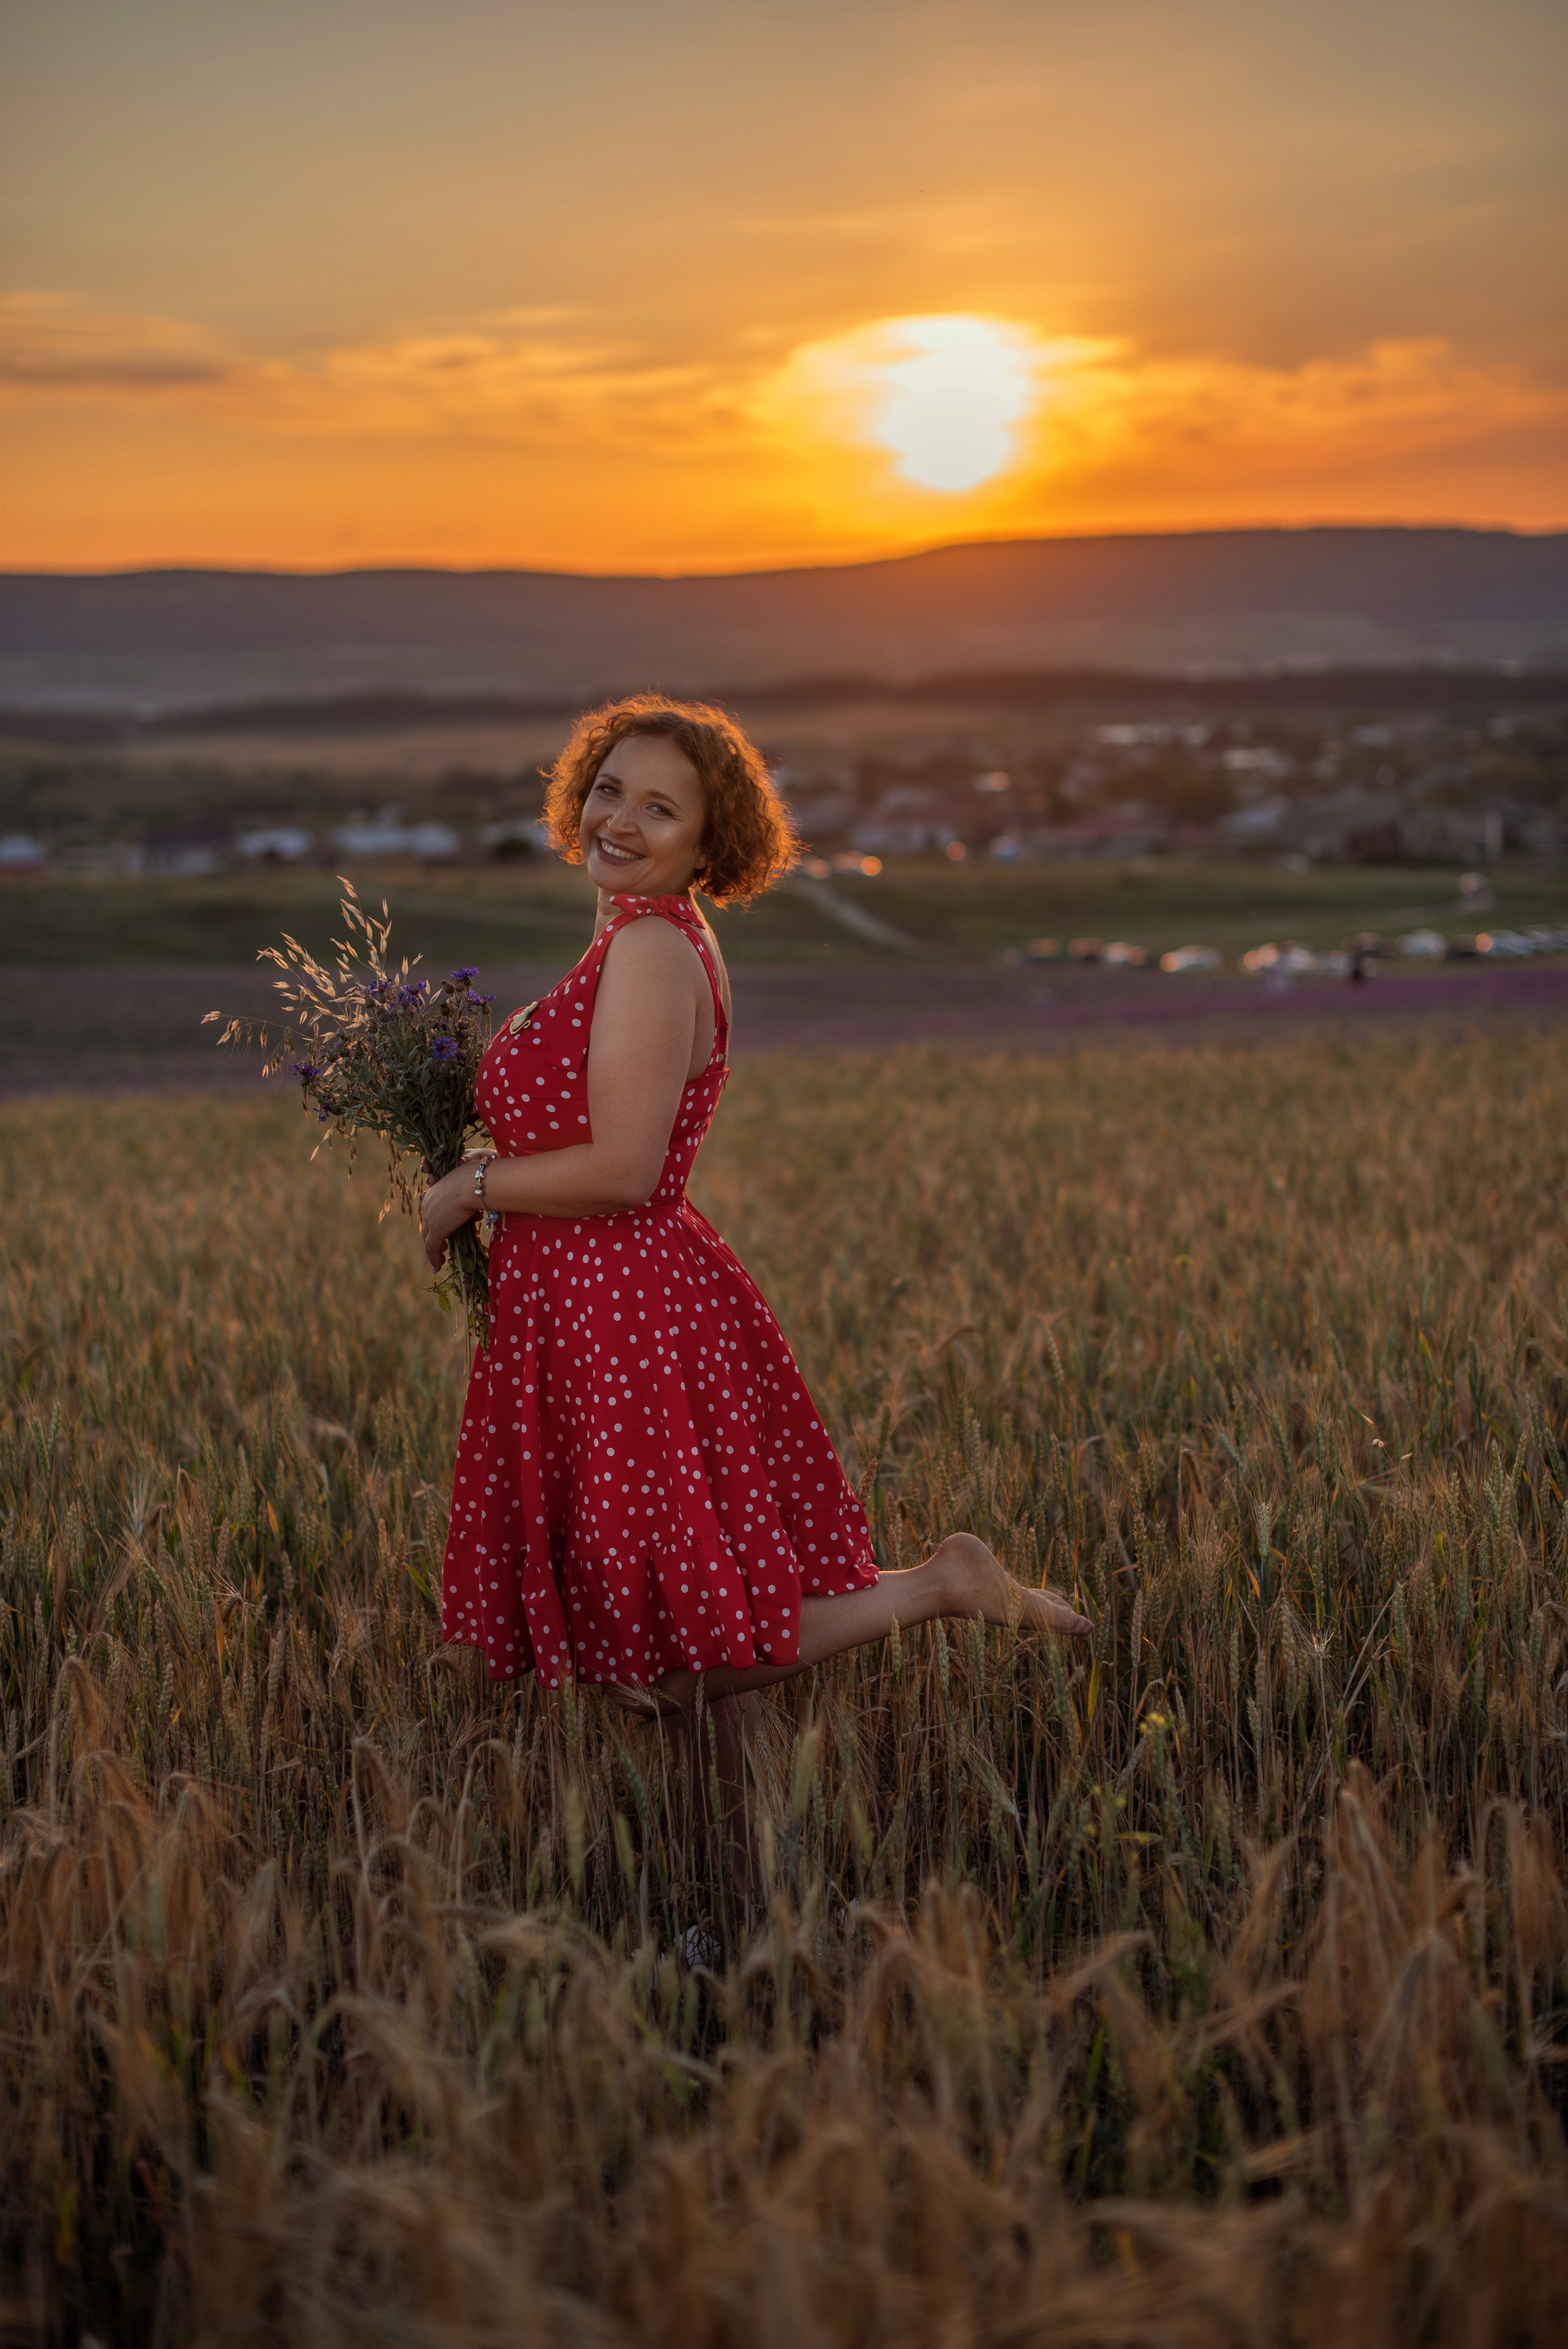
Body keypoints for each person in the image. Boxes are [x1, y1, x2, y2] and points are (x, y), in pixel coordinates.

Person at [420, 695, 1090, 1846]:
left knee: (653, 1663)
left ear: (707, 841)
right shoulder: (635, 934)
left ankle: (937, 1586)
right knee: (650, 1642)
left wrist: (467, 1188)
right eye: (610, 787)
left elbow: (627, 1168)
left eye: (661, 807)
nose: (621, 820)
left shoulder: (645, 949)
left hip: (615, 1309)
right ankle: (732, 1859)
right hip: (603, 1300)